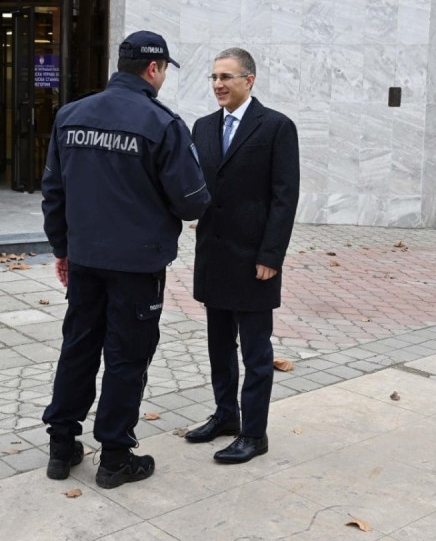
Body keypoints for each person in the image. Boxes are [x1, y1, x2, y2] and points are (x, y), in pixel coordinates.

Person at [41, 31, 211, 489]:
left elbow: (53, 192)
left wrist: (62, 249)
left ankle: (62, 447)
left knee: (78, 346)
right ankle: (115, 457)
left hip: (86, 260)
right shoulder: (161, 123)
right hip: (137, 266)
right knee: (126, 357)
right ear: (154, 69)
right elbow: (193, 202)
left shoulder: (70, 115)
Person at [185, 47, 300, 464]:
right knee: (219, 346)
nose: (218, 84)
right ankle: (225, 416)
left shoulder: (276, 127)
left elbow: (285, 198)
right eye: (214, 76)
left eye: (227, 77)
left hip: (255, 261)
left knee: (256, 354)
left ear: (249, 80)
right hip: (214, 257)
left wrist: (271, 255)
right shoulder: (201, 127)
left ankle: (255, 433)